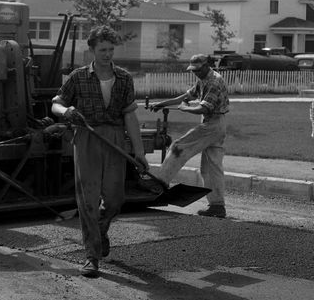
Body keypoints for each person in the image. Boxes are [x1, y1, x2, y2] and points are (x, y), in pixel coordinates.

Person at [51, 26, 148, 278]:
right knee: (88, 200)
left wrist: (139, 152)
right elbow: (56, 104)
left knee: (115, 199)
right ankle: (91, 256)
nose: (107, 54)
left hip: (115, 138)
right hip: (86, 137)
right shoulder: (78, 77)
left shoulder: (124, 78)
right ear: (92, 50)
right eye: (102, 50)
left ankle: (101, 228)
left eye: (111, 49)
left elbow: (130, 117)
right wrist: (67, 112)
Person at [148, 53, 230, 218]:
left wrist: (184, 109)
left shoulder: (213, 81)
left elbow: (204, 109)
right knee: (211, 167)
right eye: (193, 70)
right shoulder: (204, 79)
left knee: (179, 146)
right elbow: (186, 97)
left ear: (207, 66)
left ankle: (159, 185)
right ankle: (217, 206)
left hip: (212, 124)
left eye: (198, 70)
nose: (195, 73)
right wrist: (162, 104)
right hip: (216, 124)